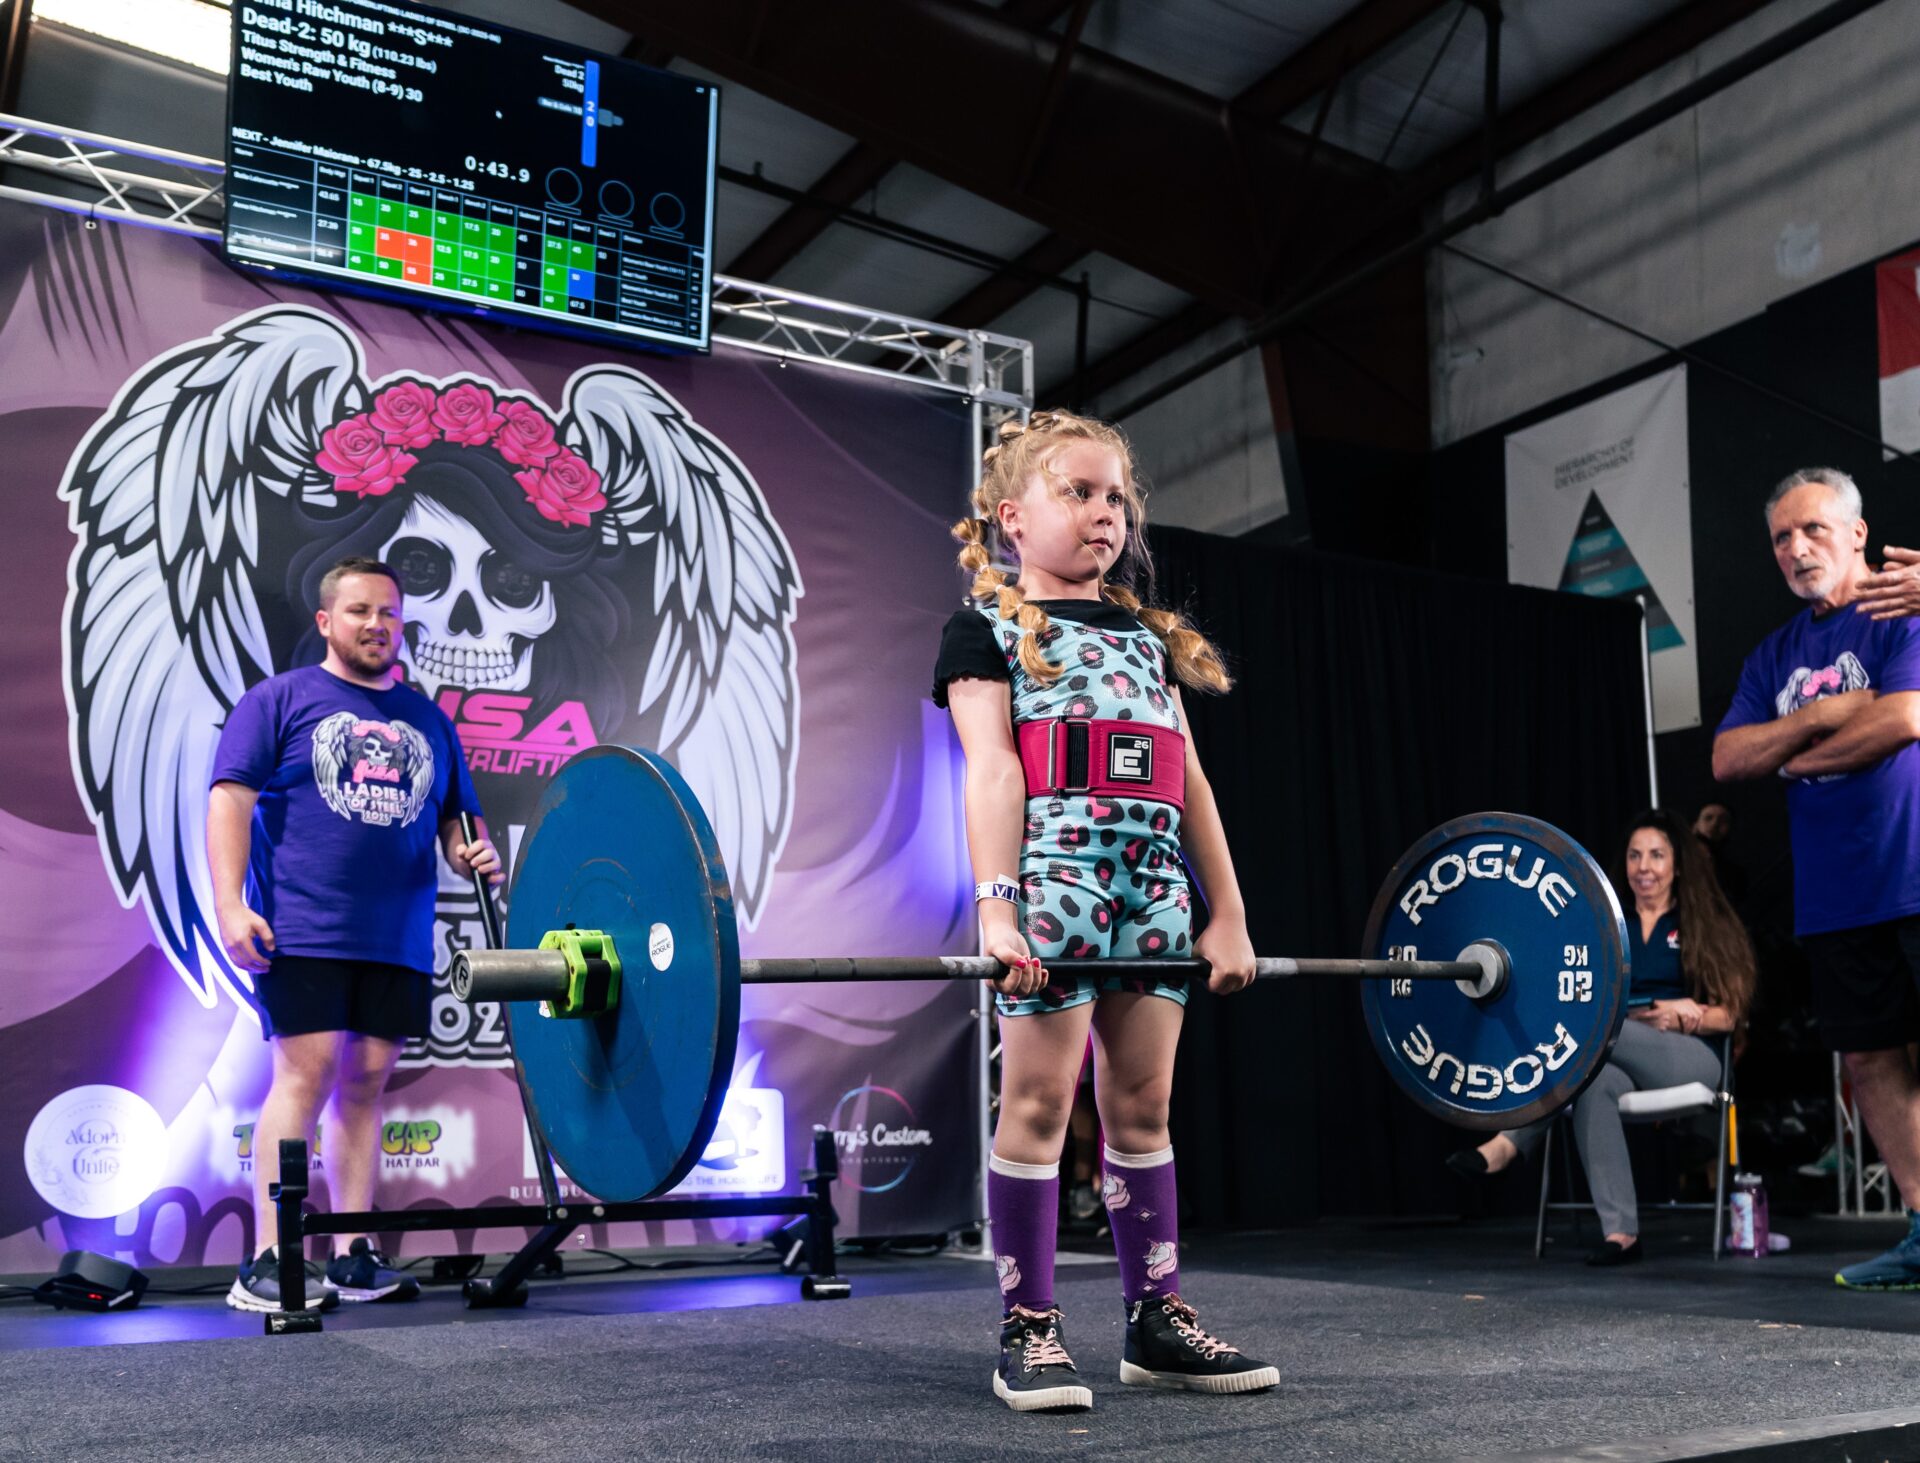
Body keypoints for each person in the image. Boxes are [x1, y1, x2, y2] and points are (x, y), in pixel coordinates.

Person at [933, 409, 1278, 1412]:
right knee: (1039, 1108)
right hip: (1056, 894)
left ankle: (1156, 1318)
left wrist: (1230, 913)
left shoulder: (1144, 635)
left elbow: (1191, 782)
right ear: (1012, 516)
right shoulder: (984, 629)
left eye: (1115, 495)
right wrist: (999, 911)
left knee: (1143, 1109)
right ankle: (1029, 1327)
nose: (1104, 512)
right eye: (1077, 492)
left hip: (1154, 898)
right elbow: (993, 773)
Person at [209, 556, 502, 1313]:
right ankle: (272, 1257)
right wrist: (229, 904)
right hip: (303, 927)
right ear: (326, 621)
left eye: (390, 615)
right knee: (301, 1080)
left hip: (397, 936)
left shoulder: (428, 718)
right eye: (362, 611)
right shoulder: (279, 700)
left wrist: (468, 848)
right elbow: (230, 801)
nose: (378, 625)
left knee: (366, 1086)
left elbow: (454, 819)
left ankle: (352, 1252)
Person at [1712, 467, 1920, 1290]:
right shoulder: (1775, 655)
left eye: (1815, 531)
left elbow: (1903, 719)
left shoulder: (1902, 610)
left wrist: (1791, 759)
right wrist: (1819, 716)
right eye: (1781, 538)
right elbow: (1730, 756)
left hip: (1914, 871)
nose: (1797, 550)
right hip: (1838, 896)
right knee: (1868, 1062)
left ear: (1859, 533)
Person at [1448, 810, 1753, 1263]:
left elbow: (1729, 1017)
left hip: (1692, 1057)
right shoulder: (1609, 926)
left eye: (1655, 855)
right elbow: (1586, 1005)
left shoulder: (1702, 923)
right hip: (1616, 1048)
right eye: (1634, 855)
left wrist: (1687, 1013)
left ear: (1678, 865)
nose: (1643, 867)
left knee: (1586, 1038)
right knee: (1593, 1081)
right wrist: (1655, 1013)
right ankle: (1622, 1235)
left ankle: (1508, 1143)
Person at [1692, 801, 1749, 908]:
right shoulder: (1673, 864)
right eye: (1708, 818)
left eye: (1723, 820)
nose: (1715, 824)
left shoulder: (1736, 875)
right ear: (1695, 825)